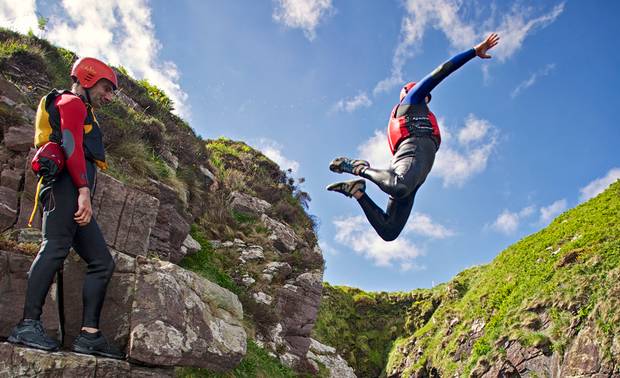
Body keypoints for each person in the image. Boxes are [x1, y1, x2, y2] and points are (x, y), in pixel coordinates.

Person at [327, 33, 500, 241]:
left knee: (389, 230)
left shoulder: (420, 110)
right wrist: (473, 52)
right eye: (425, 94)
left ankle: (356, 191)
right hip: (412, 153)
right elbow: (442, 71)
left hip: (415, 167)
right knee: (399, 187)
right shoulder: (411, 99)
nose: (428, 97)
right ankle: (357, 167)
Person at [8, 57, 124, 359]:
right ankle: (28, 324)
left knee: (101, 261)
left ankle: (89, 336)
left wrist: (83, 193)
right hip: (64, 189)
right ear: (87, 78)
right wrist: (84, 191)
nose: (109, 96)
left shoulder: (84, 110)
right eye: (106, 88)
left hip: (74, 192)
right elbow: (71, 146)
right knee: (55, 247)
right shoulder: (70, 102)